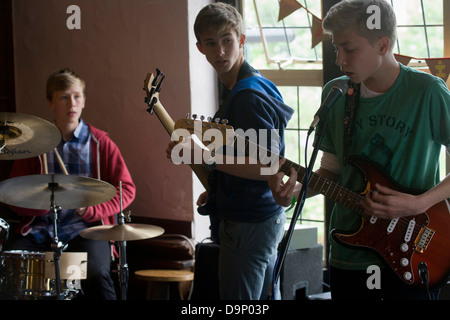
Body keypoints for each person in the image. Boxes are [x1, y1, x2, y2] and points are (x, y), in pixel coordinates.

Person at [269, 0, 450, 300]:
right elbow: (333, 170)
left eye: (349, 49)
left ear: (382, 45)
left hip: (414, 252)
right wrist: (296, 190)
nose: (339, 60)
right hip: (350, 257)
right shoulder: (337, 93)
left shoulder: (428, 92)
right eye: (336, 48)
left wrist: (419, 204)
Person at [166, 3, 293, 300]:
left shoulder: (247, 95)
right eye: (211, 43)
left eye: (227, 40)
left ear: (242, 39)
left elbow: (268, 165)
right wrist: (219, 189)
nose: (220, 51)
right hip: (259, 217)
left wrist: (204, 156)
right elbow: (246, 155)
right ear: (200, 47)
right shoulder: (244, 85)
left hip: (250, 222)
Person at [6, 68, 136, 300]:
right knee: (12, 270)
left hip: (86, 230)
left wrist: (94, 210)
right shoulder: (34, 146)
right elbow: (12, 191)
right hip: (40, 229)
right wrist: (39, 206)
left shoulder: (100, 143)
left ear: (84, 101)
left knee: (96, 273)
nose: (71, 104)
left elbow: (126, 189)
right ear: (50, 102)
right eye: (64, 97)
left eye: (77, 96)